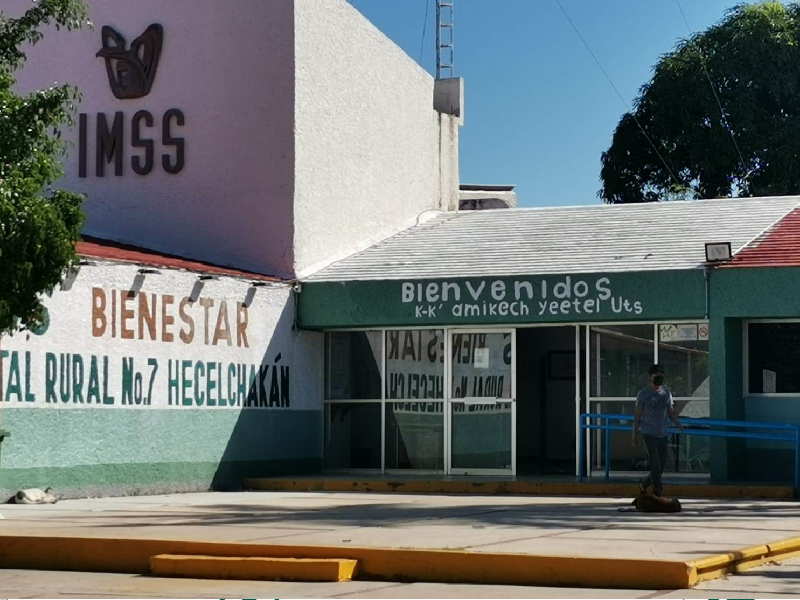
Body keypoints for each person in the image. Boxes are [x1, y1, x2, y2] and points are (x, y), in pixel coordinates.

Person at [631, 364, 683, 497]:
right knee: (654, 462)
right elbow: (638, 415)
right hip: (648, 433)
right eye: (656, 375)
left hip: (663, 433)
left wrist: (677, 423)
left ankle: (644, 483)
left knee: (660, 467)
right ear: (650, 377)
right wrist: (634, 435)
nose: (659, 377)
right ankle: (657, 490)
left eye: (661, 374)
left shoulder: (666, 393)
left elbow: (670, 412)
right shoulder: (643, 394)